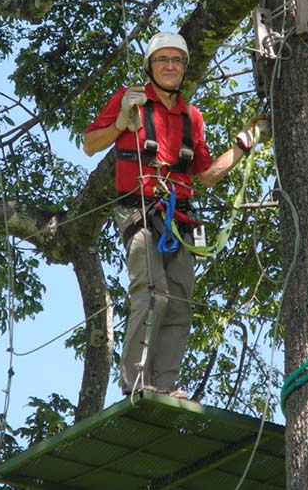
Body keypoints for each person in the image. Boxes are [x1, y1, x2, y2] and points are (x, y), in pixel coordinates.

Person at [84, 31, 270, 398]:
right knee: (153, 294)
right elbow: (90, 144)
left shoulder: (191, 117)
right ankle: (137, 384)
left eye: (177, 61)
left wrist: (246, 142)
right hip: (139, 209)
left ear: (184, 68)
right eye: (162, 60)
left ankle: (164, 386)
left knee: (181, 303)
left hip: (181, 217)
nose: (170, 66)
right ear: (149, 66)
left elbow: (207, 176)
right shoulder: (131, 100)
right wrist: (122, 120)